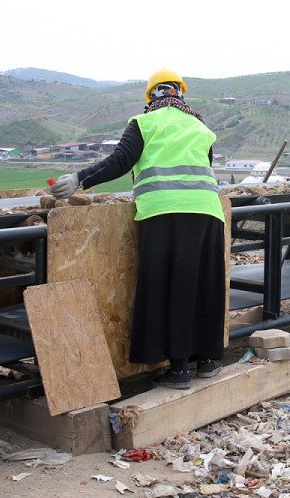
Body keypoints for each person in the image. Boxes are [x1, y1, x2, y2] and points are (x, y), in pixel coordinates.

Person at [49, 69, 225, 389]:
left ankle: (179, 368)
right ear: (180, 94)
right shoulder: (199, 125)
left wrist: (80, 179)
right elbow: (206, 167)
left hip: (164, 212)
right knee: (201, 283)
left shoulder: (144, 123)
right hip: (209, 212)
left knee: (168, 285)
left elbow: (120, 161)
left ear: (151, 97)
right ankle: (209, 360)